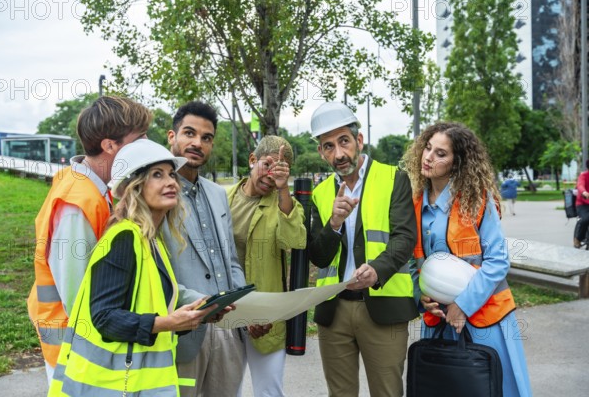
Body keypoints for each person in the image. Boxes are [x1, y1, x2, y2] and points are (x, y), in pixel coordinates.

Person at [48, 139, 220, 395]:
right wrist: (166, 323)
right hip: (110, 387)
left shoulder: (150, 241)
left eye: (172, 174)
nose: (171, 182)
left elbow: (148, 309)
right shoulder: (124, 238)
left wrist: (191, 315)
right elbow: (105, 318)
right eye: (157, 175)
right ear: (135, 187)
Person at [400, 122, 532, 396]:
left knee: (493, 387)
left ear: (457, 162)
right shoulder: (412, 204)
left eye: (440, 154)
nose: (428, 157)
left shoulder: (477, 200)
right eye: (427, 148)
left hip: (484, 319)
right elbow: (412, 262)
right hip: (438, 321)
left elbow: (498, 261)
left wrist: (462, 305)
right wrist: (420, 298)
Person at [27, 96, 151, 384]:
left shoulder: (90, 188)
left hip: (81, 346)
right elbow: (77, 296)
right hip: (77, 353)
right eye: (140, 139)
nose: (146, 146)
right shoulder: (77, 202)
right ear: (110, 146)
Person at [308, 102, 418, 397]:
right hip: (334, 310)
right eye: (328, 146)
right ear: (321, 152)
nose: (339, 154)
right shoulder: (320, 194)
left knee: (387, 392)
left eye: (344, 141)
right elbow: (318, 256)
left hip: (384, 307)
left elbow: (405, 237)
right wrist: (334, 223)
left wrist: (377, 270)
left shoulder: (393, 178)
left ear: (359, 140)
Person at [164, 101, 268, 397]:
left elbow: (230, 262)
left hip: (227, 333)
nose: (197, 143)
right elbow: (158, 273)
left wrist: (248, 312)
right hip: (183, 330)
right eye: (189, 133)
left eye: (206, 138)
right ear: (172, 136)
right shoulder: (156, 194)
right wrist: (201, 306)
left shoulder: (217, 194)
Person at [227, 135, 307, 396]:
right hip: (224, 313)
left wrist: (284, 191)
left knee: (269, 392)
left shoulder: (284, 204)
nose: (271, 175)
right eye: (267, 164)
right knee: (224, 390)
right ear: (252, 160)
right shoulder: (222, 199)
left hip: (265, 318)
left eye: (280, 170)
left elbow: (294, 241)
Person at [574, 159, 589, 248]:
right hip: (582, 204)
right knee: (585, 219)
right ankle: (578, 238)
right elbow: (580, 185)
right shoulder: (583, 175)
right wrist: (584, 192)